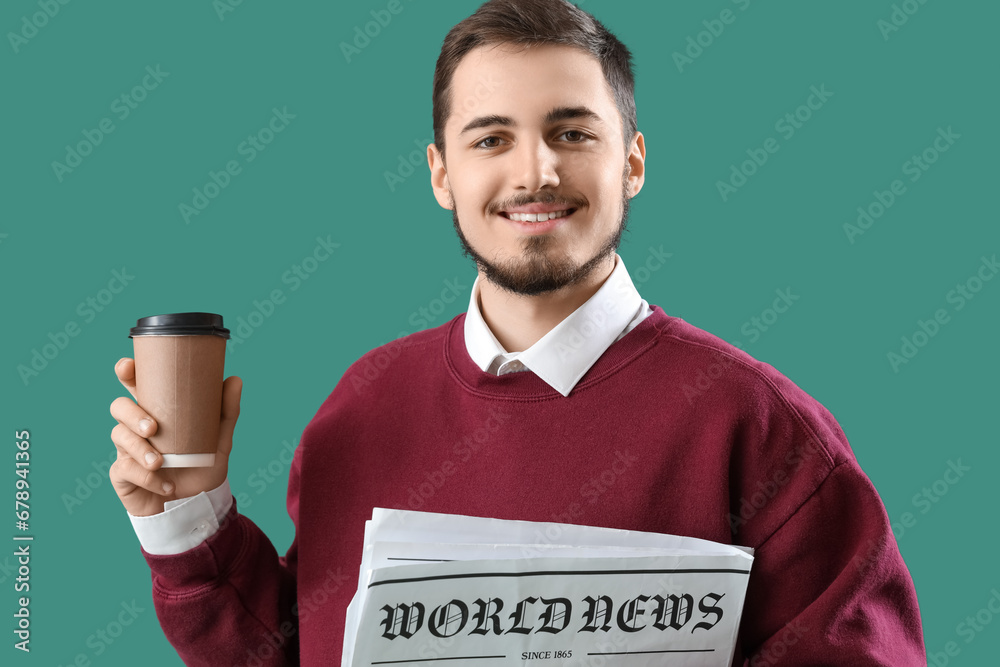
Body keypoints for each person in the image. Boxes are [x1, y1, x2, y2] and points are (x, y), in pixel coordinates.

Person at [108, 1, 926, 664]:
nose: (535, 171)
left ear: (632, 162)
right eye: (491, 138)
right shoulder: (360, 406)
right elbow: (290, 651)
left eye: (572, 132)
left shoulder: (763, 429)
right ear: (440, 174)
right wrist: (187, 518)